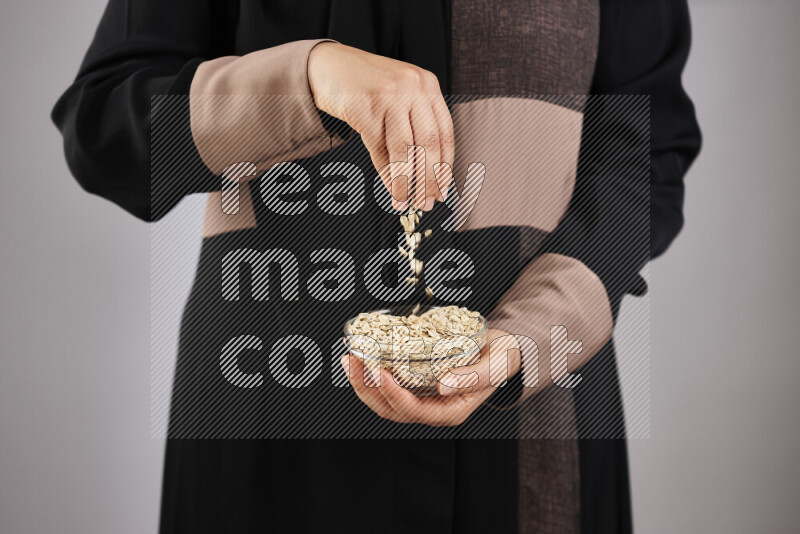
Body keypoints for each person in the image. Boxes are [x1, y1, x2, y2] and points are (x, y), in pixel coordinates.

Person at [52, 1, 701, 532]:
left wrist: (527, 336)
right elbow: (103, 125)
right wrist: (307, 78)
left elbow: (643, 155)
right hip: (269, 422)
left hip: (534, 422)